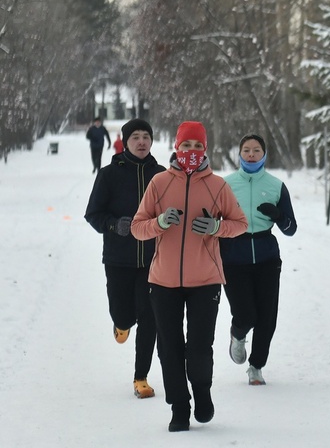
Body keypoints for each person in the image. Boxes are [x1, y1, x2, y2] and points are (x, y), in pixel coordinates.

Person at [131, 121, 248, 432]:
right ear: (177, 148)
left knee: (198, 346)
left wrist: (216, 228)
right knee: (169, 346)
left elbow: (240, 223)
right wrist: (158, 222)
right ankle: (180, 406)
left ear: (205, 149)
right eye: (187, 146)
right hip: (163, 280)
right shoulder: (159, 183)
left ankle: (202, 391)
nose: (192, 152)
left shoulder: (217, 186)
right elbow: (137, 228)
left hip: (206, 279)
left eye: (198, 146)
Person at [84, 119, 165, 400]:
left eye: (146, 137)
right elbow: (93, 214)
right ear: (126, 141)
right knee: (123, 314)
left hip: (154, 262)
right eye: (136, 137)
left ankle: (140, 377)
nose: (141, 142)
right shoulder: (109, 174)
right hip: (118, 259)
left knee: (149, 318)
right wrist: (113, 225)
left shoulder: (162, 175)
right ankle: (120, 323)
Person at [220, 134, 297, 386]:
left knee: (267, 317)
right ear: (239, 154)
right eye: (246, 150)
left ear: (264, 154)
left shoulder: (276, 185)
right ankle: (238, 334)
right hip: (234, 256)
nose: (251, 154)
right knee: (245, 314)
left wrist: (277, 215)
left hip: (266, 257)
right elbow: (211, 218)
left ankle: (256, 366)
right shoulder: (225, 184)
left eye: (256, 150)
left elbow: (290, 228)